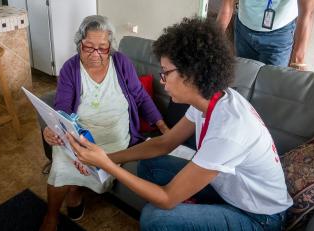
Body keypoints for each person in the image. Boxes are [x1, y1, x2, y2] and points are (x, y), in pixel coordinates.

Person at [68, 17, 293, 230]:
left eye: (165, 72)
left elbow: (166, 199)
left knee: (155, 218)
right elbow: (164, 143)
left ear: (191, 74)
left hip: (259, 217)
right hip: (228, 188)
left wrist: (107, 167)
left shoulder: (229, 129)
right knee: (149, 165)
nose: (161, 80)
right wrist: (107, 158)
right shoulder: (209, 99)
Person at [40, 15, 169, 231]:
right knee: (60, 164)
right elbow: (62, 108)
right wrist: (50, 129)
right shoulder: (70, 69)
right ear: (79, 43)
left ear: (111, 46)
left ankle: (75, 191)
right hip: (79, 138)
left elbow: (140, 96)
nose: (95, 54)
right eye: (88, 47)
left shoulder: (121, 63)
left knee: (98, 176)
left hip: (115, 139)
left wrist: (163, 128)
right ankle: (51, 216)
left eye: (102, 48)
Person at [216, 0, 314, 70]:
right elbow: (227, 4)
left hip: (279, 35)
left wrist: (298, 59)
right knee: (244, 78)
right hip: (243, 29)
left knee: (271, 84)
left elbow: (307, 12)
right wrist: (214, 42)